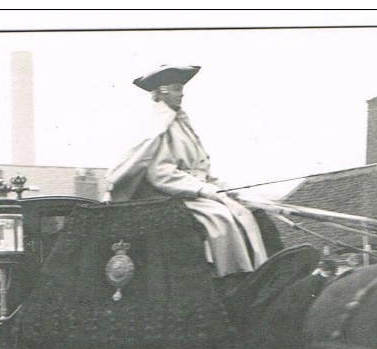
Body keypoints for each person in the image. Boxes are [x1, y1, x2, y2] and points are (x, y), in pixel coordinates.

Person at [104, 65, 269, 277]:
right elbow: (160, 174)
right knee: (221, 218)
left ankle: (257, 272)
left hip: (194, 192)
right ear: (162, 92)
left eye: (181, 88)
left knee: (245, 210)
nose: (181, 94)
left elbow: (200, 170)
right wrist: (202, 190)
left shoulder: (181, 125)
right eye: (176, 88)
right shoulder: (156, 127)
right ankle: (228, 277)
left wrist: (226, 188)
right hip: (171, 196)